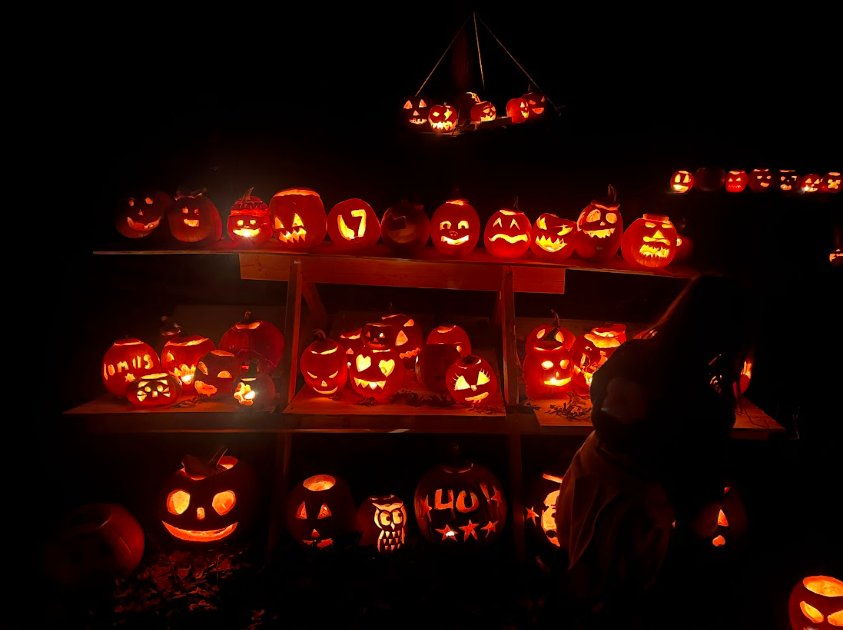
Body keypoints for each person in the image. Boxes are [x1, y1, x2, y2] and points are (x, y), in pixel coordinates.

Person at [546, 273, 755, 628]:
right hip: (633, 508)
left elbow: (597, 394)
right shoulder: (704, 403)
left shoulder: (632, 352)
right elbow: (699, 494)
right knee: (618, 602)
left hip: (589, 471)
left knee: (581, 568)